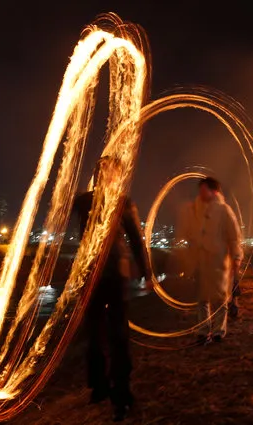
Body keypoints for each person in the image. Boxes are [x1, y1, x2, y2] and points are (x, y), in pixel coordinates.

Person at [73, 157, 151, 421]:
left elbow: (137, 242)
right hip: (93, 275)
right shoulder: (85, 201)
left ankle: (120, 394)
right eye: (105, 172)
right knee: (95, 335)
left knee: (115, 335)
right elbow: (58, 207)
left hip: (114, 275)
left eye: (113, 172)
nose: (110, 176)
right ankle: (100, 387)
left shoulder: (122, 203)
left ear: (118, 176)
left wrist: (147, 273)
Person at [178, 177, 243, 344]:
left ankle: (218, 331)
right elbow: (190, 232)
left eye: (203, 189)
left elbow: (234, 236)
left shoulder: (224, 210)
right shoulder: (195, 210)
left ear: (214, 191)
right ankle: (203, 330)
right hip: (201, 261)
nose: (200, 193)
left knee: (220, 298)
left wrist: (236, 257)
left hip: (218, 261)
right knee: (202, 298)